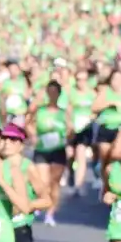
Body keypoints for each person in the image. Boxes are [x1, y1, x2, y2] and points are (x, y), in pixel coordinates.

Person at [30, 80, 71, 225]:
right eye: (50, 92)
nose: (52, 95)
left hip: (58, 150)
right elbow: (30, 124)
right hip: (42, 149)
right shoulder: (40, 110)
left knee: (54, 183)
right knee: (42, 181)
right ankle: (41, 203)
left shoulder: (63, 113)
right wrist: (33, 135)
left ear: (59, 95)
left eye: (55, 92)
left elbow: (70, 130)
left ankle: (50, 213)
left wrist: (69, 135)